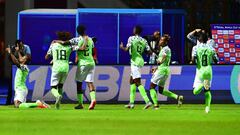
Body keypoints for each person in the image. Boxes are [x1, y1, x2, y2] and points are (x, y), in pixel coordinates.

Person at [55, 25, 96, 110]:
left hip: (83, 64)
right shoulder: (91, 40)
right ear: (85, 30)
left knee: (79, 83)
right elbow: (92, 51)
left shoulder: (77, 39)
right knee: (90, 82)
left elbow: (64, 43)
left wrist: (55, 41)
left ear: (78, 32)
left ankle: (80, 103)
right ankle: (93, 100)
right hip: (91, 63)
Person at [5, 40, 49, 108]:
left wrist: (10, 53)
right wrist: (18, 51)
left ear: (25, 60)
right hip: (19, 89)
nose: (21, 58)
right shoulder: (22, 65)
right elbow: (18, 60)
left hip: (21, 89)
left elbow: (16, 62)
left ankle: (38, 104)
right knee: (18, 106)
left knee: (18, 105)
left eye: (23, 58)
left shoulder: (24, 67)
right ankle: (38, 104)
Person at [120, 25, 152, 109]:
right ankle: (131, 103)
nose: (133, 30)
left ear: (135, 31)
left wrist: (121, 47)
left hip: (135, 61)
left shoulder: (131, 38)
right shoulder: (144, 40)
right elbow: (149, 52)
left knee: (137, 82)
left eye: (134, 29)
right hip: (140, 60)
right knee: (131, 81)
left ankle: (147, 101)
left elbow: (127, 49)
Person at [149, 34, 184, 109]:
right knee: (161, 90)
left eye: (162, 40)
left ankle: (156, 105)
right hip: (164, 70)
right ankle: (177, 97)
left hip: (162, 71)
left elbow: (164, 57)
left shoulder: (165, 49)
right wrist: (156, 68)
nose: (160, 41)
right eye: (160, 39)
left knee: (151, 87)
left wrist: (160, 61)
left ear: (165, 42)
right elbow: (163, 59)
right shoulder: (164, 49)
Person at [45, 32, 77, 109]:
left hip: (56, 68)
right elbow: (79, 47)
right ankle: (58, 105)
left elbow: (46, 57)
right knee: (60, 86)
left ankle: (58, 96)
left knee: (53, 88)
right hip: (65, 68)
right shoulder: (70, 46)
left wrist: (52, 56)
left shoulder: (54, 45)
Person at [192, 32, 218, 113]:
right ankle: (207, 108)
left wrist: (195, 60)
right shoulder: (212, 48)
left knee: (195, 92)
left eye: (198, 37)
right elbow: (216, 61)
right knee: (207, 91)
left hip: (200, 71)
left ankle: (203, 84)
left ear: (200, 39)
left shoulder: (195, 48)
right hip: (208, 71)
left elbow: (193, 60)